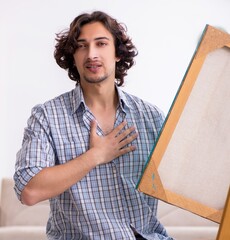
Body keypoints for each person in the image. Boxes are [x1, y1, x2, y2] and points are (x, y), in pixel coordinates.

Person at [14, 11, 173, 240]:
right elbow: (29, 191)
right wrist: (95, 156)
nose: (92, 54)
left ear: (117, 53)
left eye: (101, 44)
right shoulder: (47, 117)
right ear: (73, 56)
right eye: (81, 46)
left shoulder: (151, 117)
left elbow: (183, 180)